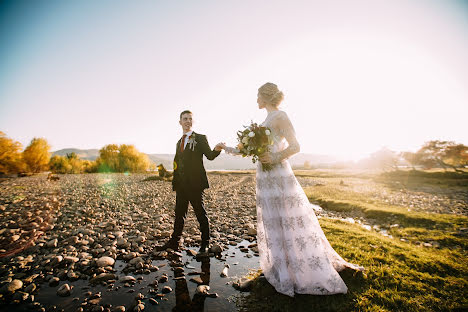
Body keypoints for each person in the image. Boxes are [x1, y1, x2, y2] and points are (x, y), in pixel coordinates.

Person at [220, 82, 363, 296]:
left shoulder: (280, 116)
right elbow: (249, 149)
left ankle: (301, 268)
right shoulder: (264, 121)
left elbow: (296, 146)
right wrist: (226, 148)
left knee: (288, 217)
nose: (256, 100)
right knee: (273, 219)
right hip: (264, 176)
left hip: (279, 175)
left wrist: (275, 156)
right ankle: (281, 266)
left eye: (258, 96)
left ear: (266, 97)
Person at [156, 110, 223, 253]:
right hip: (181, 184)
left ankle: (205, 243)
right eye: (185, 119)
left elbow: (210, 156)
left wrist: (217, 149)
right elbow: (177, 163)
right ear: (180, 122)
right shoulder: (178, 142)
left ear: (193, 122)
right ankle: (174, 242)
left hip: (195, 183)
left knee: (200, 213)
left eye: (190, 119)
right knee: (179, 214)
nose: (187, 121)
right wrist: (175, 181)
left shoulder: (200, 138)